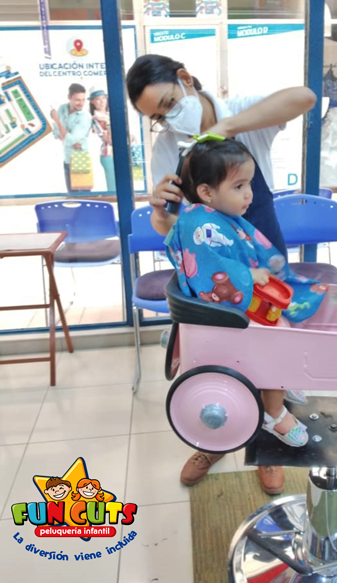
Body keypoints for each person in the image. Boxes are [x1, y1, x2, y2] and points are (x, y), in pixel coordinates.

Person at [126, 53, 317, 495]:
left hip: (260, 249)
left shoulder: (242, 113)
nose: (168, 119)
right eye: (157, 117)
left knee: (270, 345)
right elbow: (170, 228)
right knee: (219, 354)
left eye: (169, 103)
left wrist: (227, 129)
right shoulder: (167, 149)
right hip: (211, 269)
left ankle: (267, 440)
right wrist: (159, 209)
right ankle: (215, 439)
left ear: (185, 79)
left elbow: (304, 97)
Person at [166, 137, 328, 444]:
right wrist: (249, 274)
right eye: (239, 186)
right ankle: (274, 413)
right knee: (278, 336)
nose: (249, 194)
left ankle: (280, 382)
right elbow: (213, 274)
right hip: (221, 310)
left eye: (250, 184)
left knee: (288, 314)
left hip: (240, 300)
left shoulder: (213, 216)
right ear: (206, 192)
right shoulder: (200, 225)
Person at [51, 83, 92, 192]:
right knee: (72, 196)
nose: (81, 103)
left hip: (80, 158)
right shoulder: (62, 108)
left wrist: (57, 121)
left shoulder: (85, 117)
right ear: (69, 97)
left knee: (84, 197)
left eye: (83, 100)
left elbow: (71, 139)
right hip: (67, 157)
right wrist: (68, 139)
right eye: (78, 100)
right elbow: (56, 132)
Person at [88, 87, 116, 191]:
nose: (102, 102)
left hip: (119, 154)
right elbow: (110, 140)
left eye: (103, 98)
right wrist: (108, 124)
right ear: (92, 101)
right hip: (108, 154)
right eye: (98, 99)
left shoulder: (110, 114)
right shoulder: (95, 119)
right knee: (113, 188)